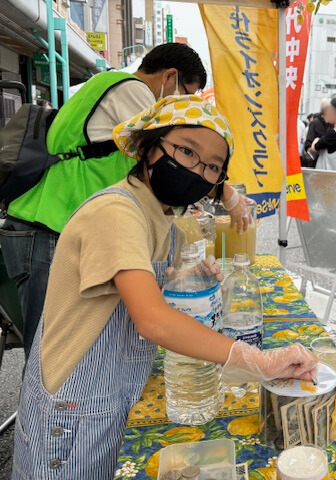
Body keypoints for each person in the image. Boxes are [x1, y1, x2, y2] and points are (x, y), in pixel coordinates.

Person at [11, 95, 318, 480]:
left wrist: (192, 278)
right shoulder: (117, 212)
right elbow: (153, 321)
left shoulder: (164, 223)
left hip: (112, 395)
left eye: (212, 167)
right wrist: (259, 361)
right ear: (147, 146)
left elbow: (159, 292)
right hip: (73, 408)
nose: (197, 171)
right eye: (186, 151)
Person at [0, 43, 251, 360]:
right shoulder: (131, 89)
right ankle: (40, 408)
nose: (190, 105)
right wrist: (227, 193)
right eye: (189, 94)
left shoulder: (112, 88)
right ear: (170, 77)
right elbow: (176, 140)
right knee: (51, 350)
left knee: (78, 341)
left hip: (56, 225)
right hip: (48, 224)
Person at [303, 98, 332, 168]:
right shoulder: (315, 123)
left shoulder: (333, 122)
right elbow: (308, 142)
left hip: (330, 160)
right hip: (316, 160)